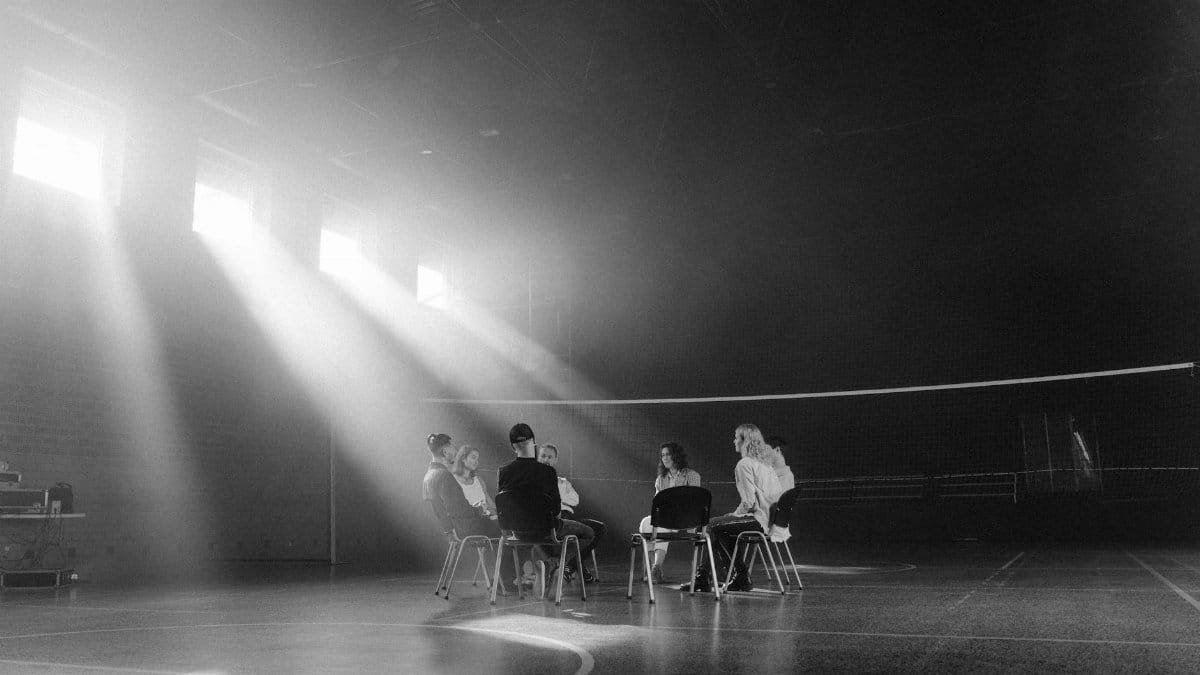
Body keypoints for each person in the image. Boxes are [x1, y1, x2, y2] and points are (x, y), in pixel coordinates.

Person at [686, 423, 782, 593]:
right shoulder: (767, 466)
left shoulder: (744, 464)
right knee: (722, 528)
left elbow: (749, 502)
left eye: (737, 437)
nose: (733, 441)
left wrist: (735, 514)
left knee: (711, 526)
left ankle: (716, 577)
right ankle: (732, 577)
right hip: (771, 521)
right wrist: (734, 516)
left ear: (745, 441)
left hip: (758, 520)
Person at [497, 423, 594, 582]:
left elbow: (503, 505)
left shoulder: (503, 472)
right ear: (533, 443)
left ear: (513, 446)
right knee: (589, 533)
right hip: (545, 530)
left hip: (516, 533)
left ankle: (545, 566)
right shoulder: (547, 472)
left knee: (542, 531)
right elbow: (556, 512)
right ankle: (556, 565)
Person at [537, 443, 605, 582]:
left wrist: (560, 491)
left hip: (566, 520)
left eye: (550, 457)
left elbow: (575, 500)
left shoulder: (562, 482)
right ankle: (570, 565)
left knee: (598, 528)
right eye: (543, 456)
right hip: (547, 524)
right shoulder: (532, 479)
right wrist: (558, 493)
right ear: (538, 458)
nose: (546, 459)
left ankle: (571, 566)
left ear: (555, 460)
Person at [638, 442, 701, 584]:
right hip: (666, 519)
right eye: (662, 455)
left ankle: (656, 568)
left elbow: (694, 503)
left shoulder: (691, 475)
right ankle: (655, 568)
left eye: (668, 455)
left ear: (676, 456)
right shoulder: (661, 479)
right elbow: (656, 503)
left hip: (685, 520)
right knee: (646, 523)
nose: (664, 458)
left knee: (661, 524)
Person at [452, 445, 498, 521]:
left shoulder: (478, 479)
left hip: (487, 520)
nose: (477, 462)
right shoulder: (453, 481)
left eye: (477, 459)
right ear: (463, 458)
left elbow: (488, 500)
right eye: (473, 458)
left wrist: (499, 514)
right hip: (471, 523)